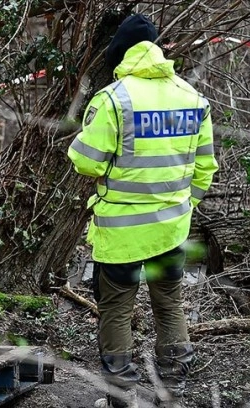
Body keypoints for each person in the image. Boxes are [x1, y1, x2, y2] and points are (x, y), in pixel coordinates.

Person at [67, 14, 219, 408]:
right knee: (169, 304)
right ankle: (172, 394)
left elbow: (87, 161)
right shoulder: (193, 99)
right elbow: (205, 169)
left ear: (121, 53)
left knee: (116, 309)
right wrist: (184, 206)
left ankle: (122, 399)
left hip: (121, 235)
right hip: (171, 230)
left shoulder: (114, 99)